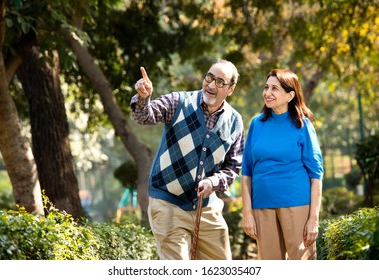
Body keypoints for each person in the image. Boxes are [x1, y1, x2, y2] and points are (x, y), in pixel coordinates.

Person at [131, 59, 244, 260]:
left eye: (220, 82)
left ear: (231, 89)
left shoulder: (235, 121)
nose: (210, 85)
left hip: (207, 208)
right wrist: (143, 98)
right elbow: (144, 116)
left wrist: (213, 182)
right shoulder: (178, 102)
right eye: (209, 77)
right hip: (168, 204)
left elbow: (233, 166)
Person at [241, 69, 324, 260]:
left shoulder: (302, 125)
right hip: (262, 206)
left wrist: (313, 219)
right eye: (266, 87)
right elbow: (247, 171)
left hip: (297, 205)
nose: (267, 93)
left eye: (275, 89)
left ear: (290, 95)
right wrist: (247, 213)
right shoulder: (256, 123)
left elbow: (316, 174)